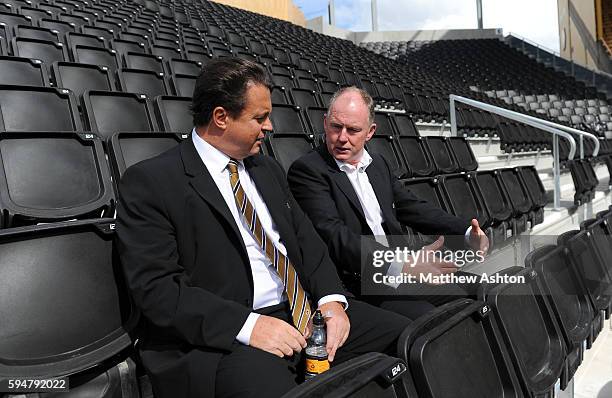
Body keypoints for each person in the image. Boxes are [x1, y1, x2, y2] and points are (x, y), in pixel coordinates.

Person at [115, 59, 411, 398]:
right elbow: (157, 290)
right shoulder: (152, 181)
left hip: (306, 312)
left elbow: (306, 242)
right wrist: (250, 325)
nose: (269, 126)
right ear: (221, 117)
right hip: (231, 335)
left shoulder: (266, 168)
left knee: (407, 338)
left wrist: (332, 300)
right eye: (259, 118)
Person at [287, 86, 489, 318]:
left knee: (479, 290)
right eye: (335, 127)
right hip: (360, 280)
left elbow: (411, 206)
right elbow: (335, 237)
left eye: (353, 130)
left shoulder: (378, 164)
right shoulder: (308, 170)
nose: (342, 138)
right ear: (325, 122)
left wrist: (465, 231)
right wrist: (402, 264)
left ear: (370, 132)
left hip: (400, 268)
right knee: (434, 318)